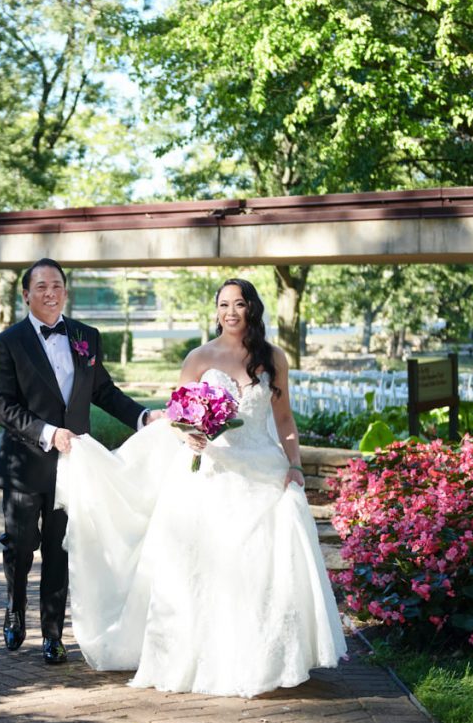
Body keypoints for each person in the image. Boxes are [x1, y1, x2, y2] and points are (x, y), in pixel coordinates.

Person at [56, 277, 346, 696]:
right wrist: (188, 435)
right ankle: (204, 657)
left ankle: (265, 658)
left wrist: (295, 465)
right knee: (207, 563)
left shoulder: (273, 358)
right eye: (224, 304)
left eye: (239, 303)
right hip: (211, 471)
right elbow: (179, 418)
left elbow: (284, 420)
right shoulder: (198, 358)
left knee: (262, 564)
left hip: (263, 470)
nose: (231, 311)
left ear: (252, 309)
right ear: (215, 311)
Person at [0, 258, 161, 664]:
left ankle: (53, 635)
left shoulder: (86, 337)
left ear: (66, 291)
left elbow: (104, 392)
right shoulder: (7, 343)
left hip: (76, 467)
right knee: (21, 544)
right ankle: (14, 607)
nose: (50, 293)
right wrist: (47, 432)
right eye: (41, 287)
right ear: (25, 294)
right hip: (26, 464)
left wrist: (142, 417)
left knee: (61, 549)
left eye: (57, 286)